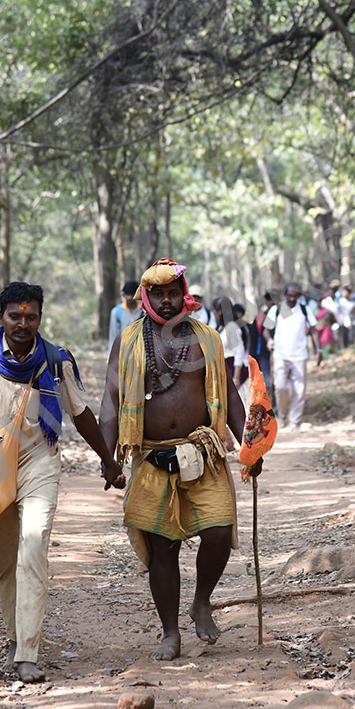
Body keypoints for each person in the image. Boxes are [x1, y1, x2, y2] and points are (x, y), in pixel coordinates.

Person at [0, 282, 125, 684]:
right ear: (1, 317)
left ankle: (27, 652)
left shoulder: (54, 361)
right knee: (2, 565)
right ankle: (16, 638)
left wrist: (108, 460)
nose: (23, 323)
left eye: (31, 317)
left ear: (40, 320)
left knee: (32, 549)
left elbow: (81, 414)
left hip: (39, 464)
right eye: (15, 315)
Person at [100, 259, 259, 661]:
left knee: (220, 529)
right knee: (163, 548)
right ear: (145, 297)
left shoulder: (207, 339)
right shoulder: (129, 341)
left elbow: (230, 394)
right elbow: (110, 402)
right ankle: (170, 633)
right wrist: (108, 457)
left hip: (202, 451)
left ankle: (202, 600)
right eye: (158, 294)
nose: (167, 301)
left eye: (173, 293)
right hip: (152, 455)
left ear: (184, 294)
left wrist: (248, 447)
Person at [264, 283, 319, 429]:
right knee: (280, 387)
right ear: (285, 295)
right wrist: (269, 340)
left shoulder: (305, 310)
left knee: (299, 390)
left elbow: (314, 331)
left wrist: (318, 351)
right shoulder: (276, 310)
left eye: (295, 296)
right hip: (280, 355)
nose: (292, 298)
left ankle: (295, 421)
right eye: (289, 295)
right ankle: (282, 416)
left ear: (299, 296)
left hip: (300, 356)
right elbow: (266, 329)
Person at [108, 280, 142, 352]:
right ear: (124, 295)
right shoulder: (116, 312)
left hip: (139, 350)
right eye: (127, 294)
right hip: (122, 349)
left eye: (132, 294)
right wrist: (111, 355)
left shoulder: (143, 311)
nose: (129, 297)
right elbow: (112, 335)